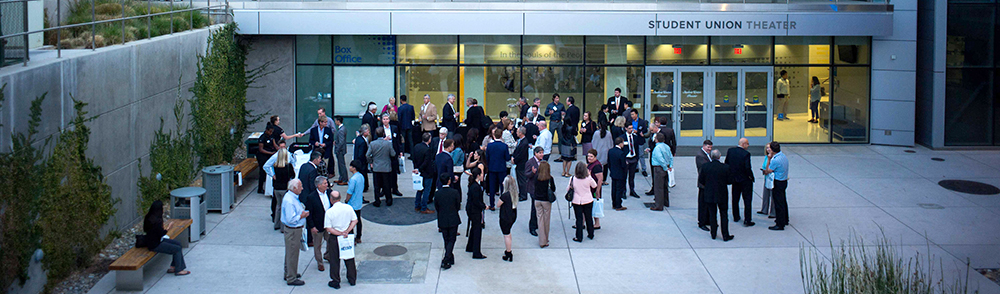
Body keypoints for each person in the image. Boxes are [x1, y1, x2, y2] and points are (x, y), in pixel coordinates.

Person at [142, 200, 190, 276]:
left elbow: (146, 230)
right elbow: (162, 234)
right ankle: (179, 270)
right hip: (156, 244)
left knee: (178, 244)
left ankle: (173, 266)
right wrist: (168, 228)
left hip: (153, 241)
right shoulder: (157, 221)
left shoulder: (148, 217)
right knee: (177, 249)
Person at [323, 189, 358, 289]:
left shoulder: (329, 212)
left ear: (331, 200)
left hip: (335, 237)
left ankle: (336, 280)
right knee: (349, 257)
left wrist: (340, 233)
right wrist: (347, 231)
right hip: (347, 236)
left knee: (334, 259)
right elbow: (355, 220)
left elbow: (328, 228)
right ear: (340, 198)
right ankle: (352, 279)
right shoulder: (348, 208)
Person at [699, 149, 734, 242]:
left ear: (711, 156)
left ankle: (713, 233)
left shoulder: (705, 166)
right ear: (719, 156)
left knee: (712, 214)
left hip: (709, 194)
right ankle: (725, 235)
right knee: (724, 214)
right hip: (722, 194)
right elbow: (730, 180)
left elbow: (701, 180)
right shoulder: (725, 167)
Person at [281, 179, 308, 286]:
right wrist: (302, 216)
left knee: (290, 252)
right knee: (293, 253)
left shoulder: (292, 197)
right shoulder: (289, 201)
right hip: (293, 230)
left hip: (294, 230)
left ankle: (288, 272)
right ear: (294, 188)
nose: (302, 188)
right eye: (300, 186)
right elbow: (290, 219)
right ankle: (291, 278)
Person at [264, 140, 296, 230]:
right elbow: (293, 174)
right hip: (284, 188)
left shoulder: (276, 166)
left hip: (277, 187)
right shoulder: (288, 166)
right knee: (283, 207)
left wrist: (273, 175)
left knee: (278, 206)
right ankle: (282, 226)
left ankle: (276, 224)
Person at [303, 176, 332, 271]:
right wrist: (312, 226)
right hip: (317, 225)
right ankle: (319, 262)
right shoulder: (311, 197)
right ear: (319, 185)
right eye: (325, 183)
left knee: (330, 241)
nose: (327, 185)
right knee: (317, 245)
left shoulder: (329, 193)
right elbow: (309, 213)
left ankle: (328, 255)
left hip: (328, 224)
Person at [725, 138, 755, 227]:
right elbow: (747, 167)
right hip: (745, 180)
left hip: (735, 179)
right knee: (747, 200)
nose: (748, 145)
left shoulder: (731, 151)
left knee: (735, 198)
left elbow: (727, 163)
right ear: (743, 144)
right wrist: (751, 177)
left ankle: (736, 216)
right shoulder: (746, 154)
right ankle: (747, 219)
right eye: (747, 144)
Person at [435, 174, 462, 269]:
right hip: (453, 218)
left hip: (442, 219)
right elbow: (458, 205)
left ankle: (450, 257)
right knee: (452, 239)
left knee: (446, 239)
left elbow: (437, 207)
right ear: (449, 181)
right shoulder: (454, 192)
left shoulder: (437, 193)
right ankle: (446, 258)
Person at [567, 162, 598, 242]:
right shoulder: (588, 178)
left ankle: (579, 237)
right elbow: (594, 185)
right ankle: (591, 234)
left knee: (579, 219)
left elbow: (568, 189)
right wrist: (590, 176)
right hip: (588, 200)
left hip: (577, 201)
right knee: (589, 217)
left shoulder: (573, 178)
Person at [367, 126, 396, 207]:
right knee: (387, 185)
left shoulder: (372, 144)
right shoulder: (388, 144)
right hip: (386, 167)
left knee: (377, 186)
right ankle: (388, 200)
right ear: (383, 134)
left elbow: (367, 155)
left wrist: (371, 162)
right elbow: (393, 154)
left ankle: (377, 201)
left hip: (376, 167)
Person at [764, 142, 789, 231]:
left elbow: (768, 170)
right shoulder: (783, 156)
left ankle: (780, 223)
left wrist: (769, 159)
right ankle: (785, 219)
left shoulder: (775, 160)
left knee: (778, 203)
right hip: (784, 181)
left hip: (778, 182)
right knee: (783, 201)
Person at [466, 167, 488, 259]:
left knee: (474, 227)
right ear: (478, 175)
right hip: (474, 210)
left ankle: (470, 246)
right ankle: (476, 252)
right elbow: (476, 201)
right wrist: (484, 206)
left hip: (471, 210)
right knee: (477, 230)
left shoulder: (474, 185)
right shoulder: (476, 187)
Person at [379, 113, 404, 197]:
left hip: (393, 152)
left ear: (389, 120)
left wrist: (400, 151)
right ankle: (384, 189)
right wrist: (384, 139)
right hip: (384, 153)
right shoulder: (379, 129)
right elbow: (376, 140)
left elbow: (398, 140)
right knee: (384, 172)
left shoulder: (394, 128)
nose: (385, 121)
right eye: (384, 119)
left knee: (394, 171)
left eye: (387, 119)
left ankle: (394, 188)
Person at [485, 128, 510, 211]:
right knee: (503, 186)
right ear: (501, 135)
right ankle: (503, 203)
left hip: (492, 168)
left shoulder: (489, 146)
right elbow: (507, 158)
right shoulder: (504, 146)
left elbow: (487, 157)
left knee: (492, 187)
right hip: (502, 168)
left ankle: (492, 204)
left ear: (494, 135)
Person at [412, 133, 437, 214]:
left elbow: (413, 158)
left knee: (419, 189)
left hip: (419, 172)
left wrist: (416, 168)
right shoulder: (427, 149)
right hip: (427, 172)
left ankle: (417, 205)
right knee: (426, 190)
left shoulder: (416, 146)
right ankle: (424, 207)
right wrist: (419, 169)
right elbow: (426, 162)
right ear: (429, 140)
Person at [533, 161, 556, 248]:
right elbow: (553, 189)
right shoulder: (550, 178)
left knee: (540, 220)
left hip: (537, 200)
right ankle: (545, 239)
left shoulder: (536, 177)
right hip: (546, 201)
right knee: (546, 220)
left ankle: (542, 240)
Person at [498, 174, 519, 262]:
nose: (502, 183)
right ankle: (508, 249)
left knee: (506, 235)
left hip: (505, 217)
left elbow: (498, 204)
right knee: (508, 233)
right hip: (512, 216)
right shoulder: (514, 193)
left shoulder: (505, 195)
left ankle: (508, 252)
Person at [344, 160, 366, 242]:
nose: (349, 167)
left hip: (352, 203)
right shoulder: (361, 176)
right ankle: (359, 236)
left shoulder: (353, 179)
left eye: (351, 166)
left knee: (351, 222)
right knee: (358, 220)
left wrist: (346, 200)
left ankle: (352, 237)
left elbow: (349, 192)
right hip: (358, 202)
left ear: (354, 168)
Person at [695, 140, 713, 232]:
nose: (709, 149)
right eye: (708, 147)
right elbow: (704, 169)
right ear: (704, 146)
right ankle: (701, 222)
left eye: (711, 147)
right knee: (702, 204)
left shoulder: (708, 155)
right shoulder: (700, 156)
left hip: (708, 183)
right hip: (703, 183)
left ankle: (707, 220)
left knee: (708, 203)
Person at [525, 147, 543, 236]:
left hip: (540, 188)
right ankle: (532, 227)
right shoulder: (530, 162)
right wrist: (532, 172)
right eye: (540, 153)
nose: (542, 155)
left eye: (542, 153)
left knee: (538, 208)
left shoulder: (542, 162)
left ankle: (536, 224)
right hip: (533, 188)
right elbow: (526, 174)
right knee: (534, 208)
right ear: (535, 153)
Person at [560, 96, 580, 176]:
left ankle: (563, 171)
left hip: (565, 141)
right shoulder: (577, 109)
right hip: (572, 134)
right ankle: (567, 172)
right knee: (570, 158)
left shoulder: (563, 127)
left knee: (564, 158)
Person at [436, 139, 459, 205]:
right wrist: (454, 178)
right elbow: (450, 172)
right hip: (446, 181)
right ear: (449, 147)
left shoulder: (438, 156)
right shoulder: (448, 158)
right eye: (452, 146)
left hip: (439, 180)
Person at [628, 109, 650, 177]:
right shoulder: (630, 121)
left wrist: (638, 132)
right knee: (634, 154)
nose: (632, 116)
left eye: (633, 114)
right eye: (631, 114)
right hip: (632, 139)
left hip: (640, 139)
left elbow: (645, 129)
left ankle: (643, 169)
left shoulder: (642, 121)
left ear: (636, 114)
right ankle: (636, 167)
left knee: (641, 155)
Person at [607, 138, 628, 211]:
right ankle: (618, 205)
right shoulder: (621, 153)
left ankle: (614, 204)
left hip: (613, 173)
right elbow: (623, 165)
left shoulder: (610, 151)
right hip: (620, 174)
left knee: (614, 189)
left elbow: (609, 162)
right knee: (619, 190)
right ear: (621, 143)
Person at [621, 123, 641, 198]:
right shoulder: (622, 137)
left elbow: (637, 148)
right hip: (626, 158)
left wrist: (637, 158)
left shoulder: (635, 137)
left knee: (632, 176)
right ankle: (623, 191)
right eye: (629, 128)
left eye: (632, 128)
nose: (631, 130)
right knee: (624, 176)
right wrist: (623, 159)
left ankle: (632, 190)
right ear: (626, 128)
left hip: (633, 158)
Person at [585, 149, 604, 229]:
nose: (589, 158)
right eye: (588, 156)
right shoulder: (590, 164)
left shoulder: (597, 166)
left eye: (591, 156)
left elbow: (600, 179)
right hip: (589, 189)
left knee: (595, 205)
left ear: (595, 157)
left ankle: (597, 223)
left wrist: (597, 191)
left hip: (594, 190)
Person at [758, 142, 777, 218]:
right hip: (767, 177)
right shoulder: (766, 157)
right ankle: (764, 210)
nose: (768, 149)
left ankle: (773, 212)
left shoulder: (774, 158)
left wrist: (769, 159)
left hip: (773, 179)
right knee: (765, 194)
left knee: (773, 196)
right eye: (767, 148)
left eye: (770, 148)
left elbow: (770, 168)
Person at [512, 127, 531, 201]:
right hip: (520, 164)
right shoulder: (521, 141)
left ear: (521, 133)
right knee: (520, 179)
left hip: (521, 164)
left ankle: (523, 195)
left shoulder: (524, 143)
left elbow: (521, 155)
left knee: (522, 180)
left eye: (517, 132)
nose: (516, 133)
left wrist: (515, 160)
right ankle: (521, 193)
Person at [592, 120, 613, 185]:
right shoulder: (608, 133)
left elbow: (593, 142)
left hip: (597, 151)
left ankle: (597, 179)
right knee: (605, 166)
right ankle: (604, 180)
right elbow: (611, 144)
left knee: (597, 166)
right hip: (605, 151)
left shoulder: (596, 133)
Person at [257, 125, 277, 194]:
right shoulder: (262, 138)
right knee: (262, 172)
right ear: (267, 130)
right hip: (263, 155)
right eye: (270, 131)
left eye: (272, 132)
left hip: (270, 154)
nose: (271, 133)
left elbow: (274, 145)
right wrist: (271, 153)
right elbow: (261, 149)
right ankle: (260, 188)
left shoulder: (271, 137)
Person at [353, 125, 371, 193]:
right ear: (364, 132)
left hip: (358, 160)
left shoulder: (358, 138)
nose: (369, 132)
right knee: (363, 174)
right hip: (361, 161)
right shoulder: (363, 142)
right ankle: (364, 187)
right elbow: (361, 153)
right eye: (367, 131)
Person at [333, 116, 349, 186]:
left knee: (341, 165)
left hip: (340, 150)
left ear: (338, 121)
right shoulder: (342, 129)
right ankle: (341, 178)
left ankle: (344, 179)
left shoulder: (341, 130)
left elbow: (341, 141)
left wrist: (337, 149)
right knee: (340, 164)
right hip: (340, 149)